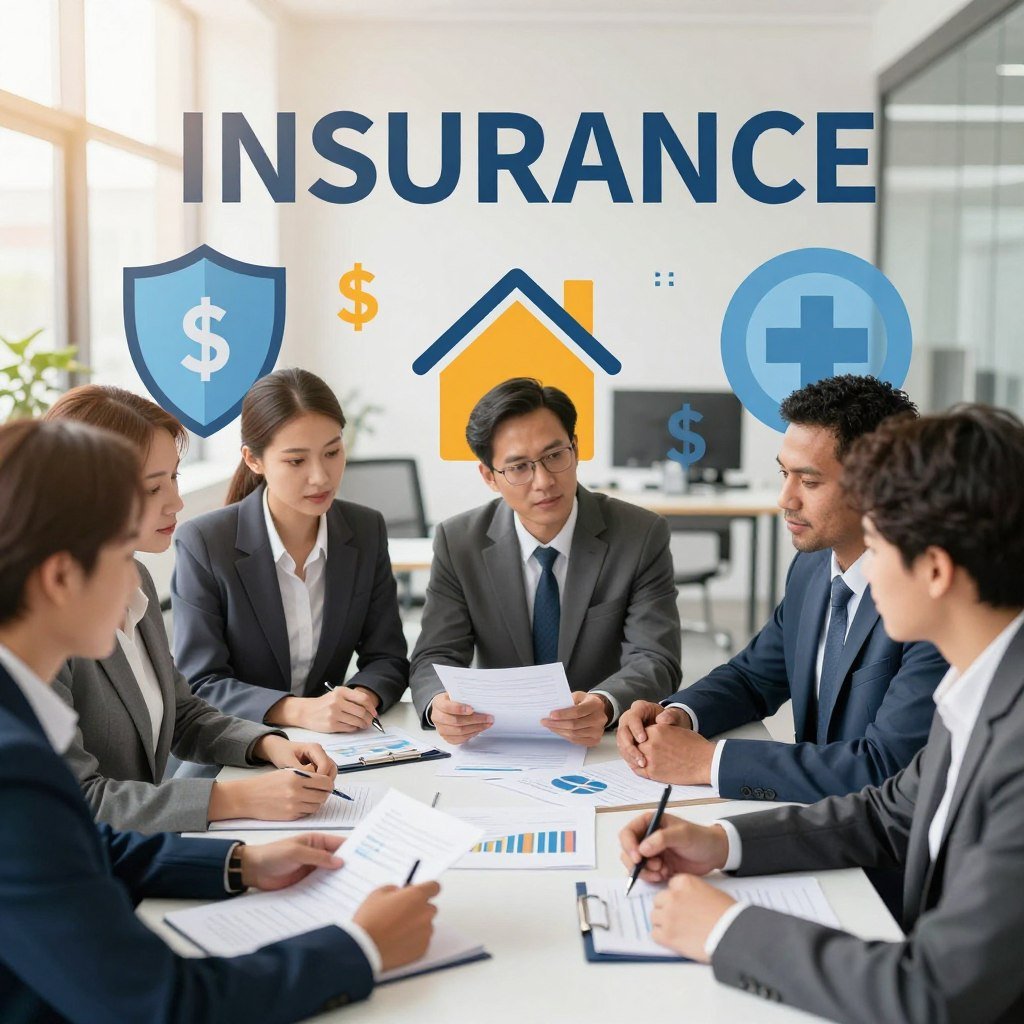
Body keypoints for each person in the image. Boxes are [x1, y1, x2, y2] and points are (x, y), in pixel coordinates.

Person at [0, 418, 440, 1022]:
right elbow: (162, 1004)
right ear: (59, 577)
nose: (134, 582)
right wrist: (361, 947)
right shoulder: (11, 766)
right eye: (120, 553)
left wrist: (239, 863)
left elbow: (75, 844)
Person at [618, 405, 1024, 1023]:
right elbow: (892, 811)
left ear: (936, 570)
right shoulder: (977, 686)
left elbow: (935, 992)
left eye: (877, 545)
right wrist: (720, 842)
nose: (863, 570)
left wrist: (727, 930)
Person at [617, 375, 948, 802]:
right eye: (783, 473)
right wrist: (678, 714)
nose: (784, 499)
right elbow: (753, 677)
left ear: (879, 487)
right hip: (813, 815)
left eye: (809, 482)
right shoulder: (813, 567)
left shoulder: (930, 603)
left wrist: (707, 762)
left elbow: (885, 767)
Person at [44, 385, 340, 833]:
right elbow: (75, 799)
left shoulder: (134, 578)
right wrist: (236, 798)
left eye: (174, 478)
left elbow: (181, 713)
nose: (176, 502)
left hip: (139, 850)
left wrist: (267, 745)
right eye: (153, 487)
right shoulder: (38, 625)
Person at [410, 377, 681, 746]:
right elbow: (435, 655)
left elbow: (655, 658)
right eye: (519, 467)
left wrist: (605, 703)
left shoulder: (640, 535)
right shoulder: (459, 542)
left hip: (602, 742)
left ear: (576, 449)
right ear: (489, 476)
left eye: (555, 456)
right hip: (499, 741)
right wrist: (439, 705)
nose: (543, 481)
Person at [172, 368, 408, 731]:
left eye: (332, 452)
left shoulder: (365, 530)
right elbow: (200, 682)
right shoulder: (204, 542)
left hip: (333, 743)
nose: (321, 476)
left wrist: (360, 698)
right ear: (253, 459)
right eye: (296, 461)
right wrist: (297, 711)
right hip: (236, 744)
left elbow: (387, 656)